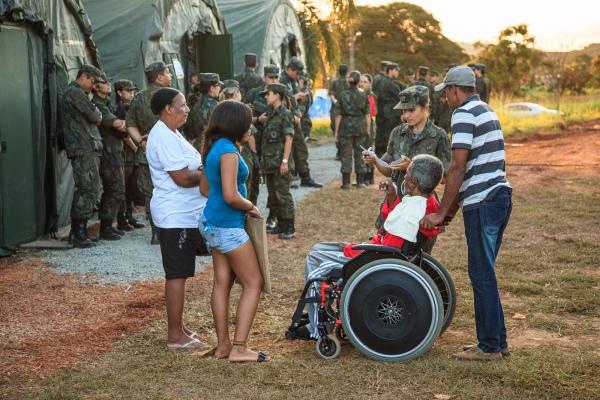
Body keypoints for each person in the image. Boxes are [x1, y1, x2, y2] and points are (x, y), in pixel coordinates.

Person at [296, 155, 444, 339]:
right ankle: (318, 317)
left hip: (372, 259)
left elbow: (386, 250)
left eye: (406, 174)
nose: (404, 176)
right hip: (377, 251)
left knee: (314, 260)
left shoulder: (413, 210)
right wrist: (392, 195)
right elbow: (398, 225)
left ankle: (316, 328)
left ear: (413, 183)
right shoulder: (426, 205)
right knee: (320, 247)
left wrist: (355, 248)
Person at [423, 65, 512, 361]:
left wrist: (439, 214)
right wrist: (449, 211)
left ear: (454, 90)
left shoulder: (462, 113)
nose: (446, 99)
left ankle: (488, 346)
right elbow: (477, 168)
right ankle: (496, 342)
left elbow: (458, 168)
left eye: (446, 92)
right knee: (484, 272)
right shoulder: (486, 109)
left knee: (481, 273)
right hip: (499, 197)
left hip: (484, 202)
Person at [199, 100, 267, 362]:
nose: (250, 125)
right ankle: (239, 348)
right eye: (247, 121)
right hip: (228, 227)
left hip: (211, 224)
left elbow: (205, 190)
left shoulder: (213, 147)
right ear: (235, 124)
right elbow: (230, 195)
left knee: (221, 282)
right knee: (253, 283)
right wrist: (250, 206)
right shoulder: (228, 151)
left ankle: (223, 346)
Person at [145, 87, 207, 350]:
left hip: (185, 214)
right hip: (176, 215)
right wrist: (209, 173)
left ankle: (179, 327)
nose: (187, 109)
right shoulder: (163, 136)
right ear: (168, 109)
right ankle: (174, 336)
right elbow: (181, 177)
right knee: (177, 275)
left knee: (181, 272)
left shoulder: (172, 132)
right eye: (182, 105)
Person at [363, 85, 451, 254]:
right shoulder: (397, 133)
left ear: (425, 108)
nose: (406, 116)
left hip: (421, 209)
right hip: (396, 203)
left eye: (411, 110)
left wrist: (411, 166)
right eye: (403, 111)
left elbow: (444, 177)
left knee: (418, 255)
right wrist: (374, 160)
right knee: (387, 252)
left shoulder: (439, 136)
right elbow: (389, 169)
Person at [126, 61, 173, 244]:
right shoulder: (172, 96)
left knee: (151, 193)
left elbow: (130, 124)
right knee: (170, 190)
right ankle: (170, 229)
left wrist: (140, 142)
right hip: (170, 153)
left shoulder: (138, 97)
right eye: (167, 72)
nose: (170, 75)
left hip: (147, 155)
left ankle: (156, 232)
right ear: (159, 77)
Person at [61, 64, 104, 248]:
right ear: (84, 77)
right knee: (86, 188)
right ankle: (78, 232)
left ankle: (80, 231)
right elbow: (96, 116)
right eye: (93, 82)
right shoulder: (75, 93)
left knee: (90, 187)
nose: (94, 86)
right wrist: (97, 113)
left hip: (87, 146)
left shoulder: (80, 94)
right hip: (81, 147)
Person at [91, 74, 129, 240]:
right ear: (95, 86)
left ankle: (109, 225)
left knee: (117, 188)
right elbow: (117, 125)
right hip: (107, 152)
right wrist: (133, 125)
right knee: (114, 188)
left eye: (108, 82)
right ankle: (105, 227)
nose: (108, 84)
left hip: (114, 151)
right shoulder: (97, 104)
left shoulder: (107, 104)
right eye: (103, 82)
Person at [244, 65, 280, 228]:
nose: (274, 80)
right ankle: (250, 214)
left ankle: (273, 215)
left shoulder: (282, 94)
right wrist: (258, 120)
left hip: (274, 146)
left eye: (276, 77)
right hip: (255, 144)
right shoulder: (253, 94)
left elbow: (295, 118)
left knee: (274, 183)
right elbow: (243, 117)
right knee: (253, 181)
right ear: (264, 77)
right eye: (270, 77)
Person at [260, 83, 296, 239]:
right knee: (273, 195)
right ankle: (280, 225)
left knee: (283, 195)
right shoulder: (271, 113)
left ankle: (289, 226)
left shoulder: (285, 114)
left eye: (268, 94)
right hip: (270, 163)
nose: (266, 96)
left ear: (277, 95)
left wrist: (285, 161)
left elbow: (288, 140)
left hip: (280, 163)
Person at [280, 57, 322, 188]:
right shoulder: (281, 80)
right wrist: (295, 96)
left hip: (295, 119)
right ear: (289, 69)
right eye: (297, 73)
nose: (298, 76)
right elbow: (277, 99)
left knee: (301, 148)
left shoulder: (293, 80)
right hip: (285, 119)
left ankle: (305, 177)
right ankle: (288, 178)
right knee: (288, 150)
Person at [219, 80, 259, 204]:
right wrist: (255, 154)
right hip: (243, 154)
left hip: (222, 152)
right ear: (237, 93)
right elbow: (250, 136)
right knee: (245, 187)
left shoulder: (219, 109)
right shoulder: (240, 110)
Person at [114, 79, 145, 231]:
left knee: (131, 188)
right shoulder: (120, 108)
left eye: (133, 91)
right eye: (128, 91)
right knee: (124, 187)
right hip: (126, 153)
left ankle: (129, 217)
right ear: (119, 92)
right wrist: (135, 147)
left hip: (131, 154)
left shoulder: (130, 106)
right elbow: (125, 134)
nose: (132, 94)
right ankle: (122, 219)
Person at [335, 70, 370, 189]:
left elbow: (338, 115)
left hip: (346, 127)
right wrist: (368, 129)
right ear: (359, 81)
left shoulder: (342, 95)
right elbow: (367, 114)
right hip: (360, 126)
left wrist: (336, 132)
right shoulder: (363, 94)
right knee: (360, 153)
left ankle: (346, 182)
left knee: (346, 154)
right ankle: (360, 182)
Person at [184, 73, 222, 154]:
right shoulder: (217, 106)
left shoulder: (194, 106)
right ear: (211, 88)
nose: (220, 88)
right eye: (218, 85)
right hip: (214, 147)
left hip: (198, 148)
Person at [375, 62, 404, 157]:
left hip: (382, 113)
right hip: (390, 114)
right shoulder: (389, 83)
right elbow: (401, 96)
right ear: (390, 71)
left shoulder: (382, 81)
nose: (397, 73)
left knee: (382, 136)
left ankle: (381, 156)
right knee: (390, 137)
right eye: (396, 71)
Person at [329, 64, 349, 159]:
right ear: (347, 72)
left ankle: (339, 151)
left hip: (335, 110)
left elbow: (331, 95)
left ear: (338, 72)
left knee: (336, 130)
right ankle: (343, 151)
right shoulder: (349, 82)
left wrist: (336, 102)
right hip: (346, 110)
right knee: (344, 130)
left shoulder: (334, 82)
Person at [359, 73, 377, 185]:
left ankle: (369, 176)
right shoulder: (357, 94)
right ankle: (362, 176)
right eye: (361, 81)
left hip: (369, 125)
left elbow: (373, 112)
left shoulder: (371, 96)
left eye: (365, 82)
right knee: (360, 152)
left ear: (370, 84)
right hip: (358, 125)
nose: (362, 84)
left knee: (368, 151)